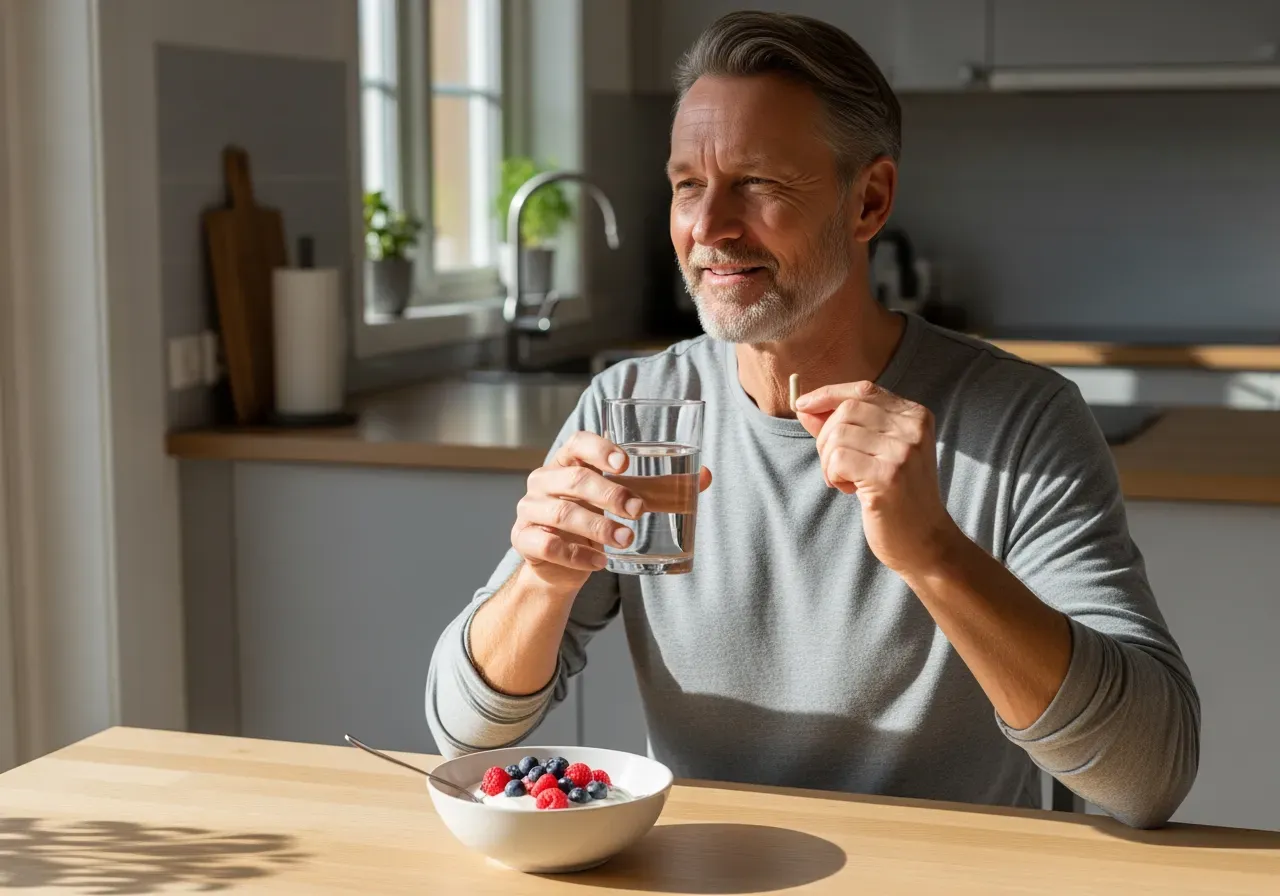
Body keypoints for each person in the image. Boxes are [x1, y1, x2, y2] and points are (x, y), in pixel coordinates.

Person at [427, 11, 1199, 828]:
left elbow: (1149, 777)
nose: (708, 228)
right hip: (707, 875)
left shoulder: (1018, 420)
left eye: (757, 183)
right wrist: (542, 580)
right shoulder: (631, 411)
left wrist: (933, 553)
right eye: (688, 184)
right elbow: (458, 732)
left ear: (868, 201)